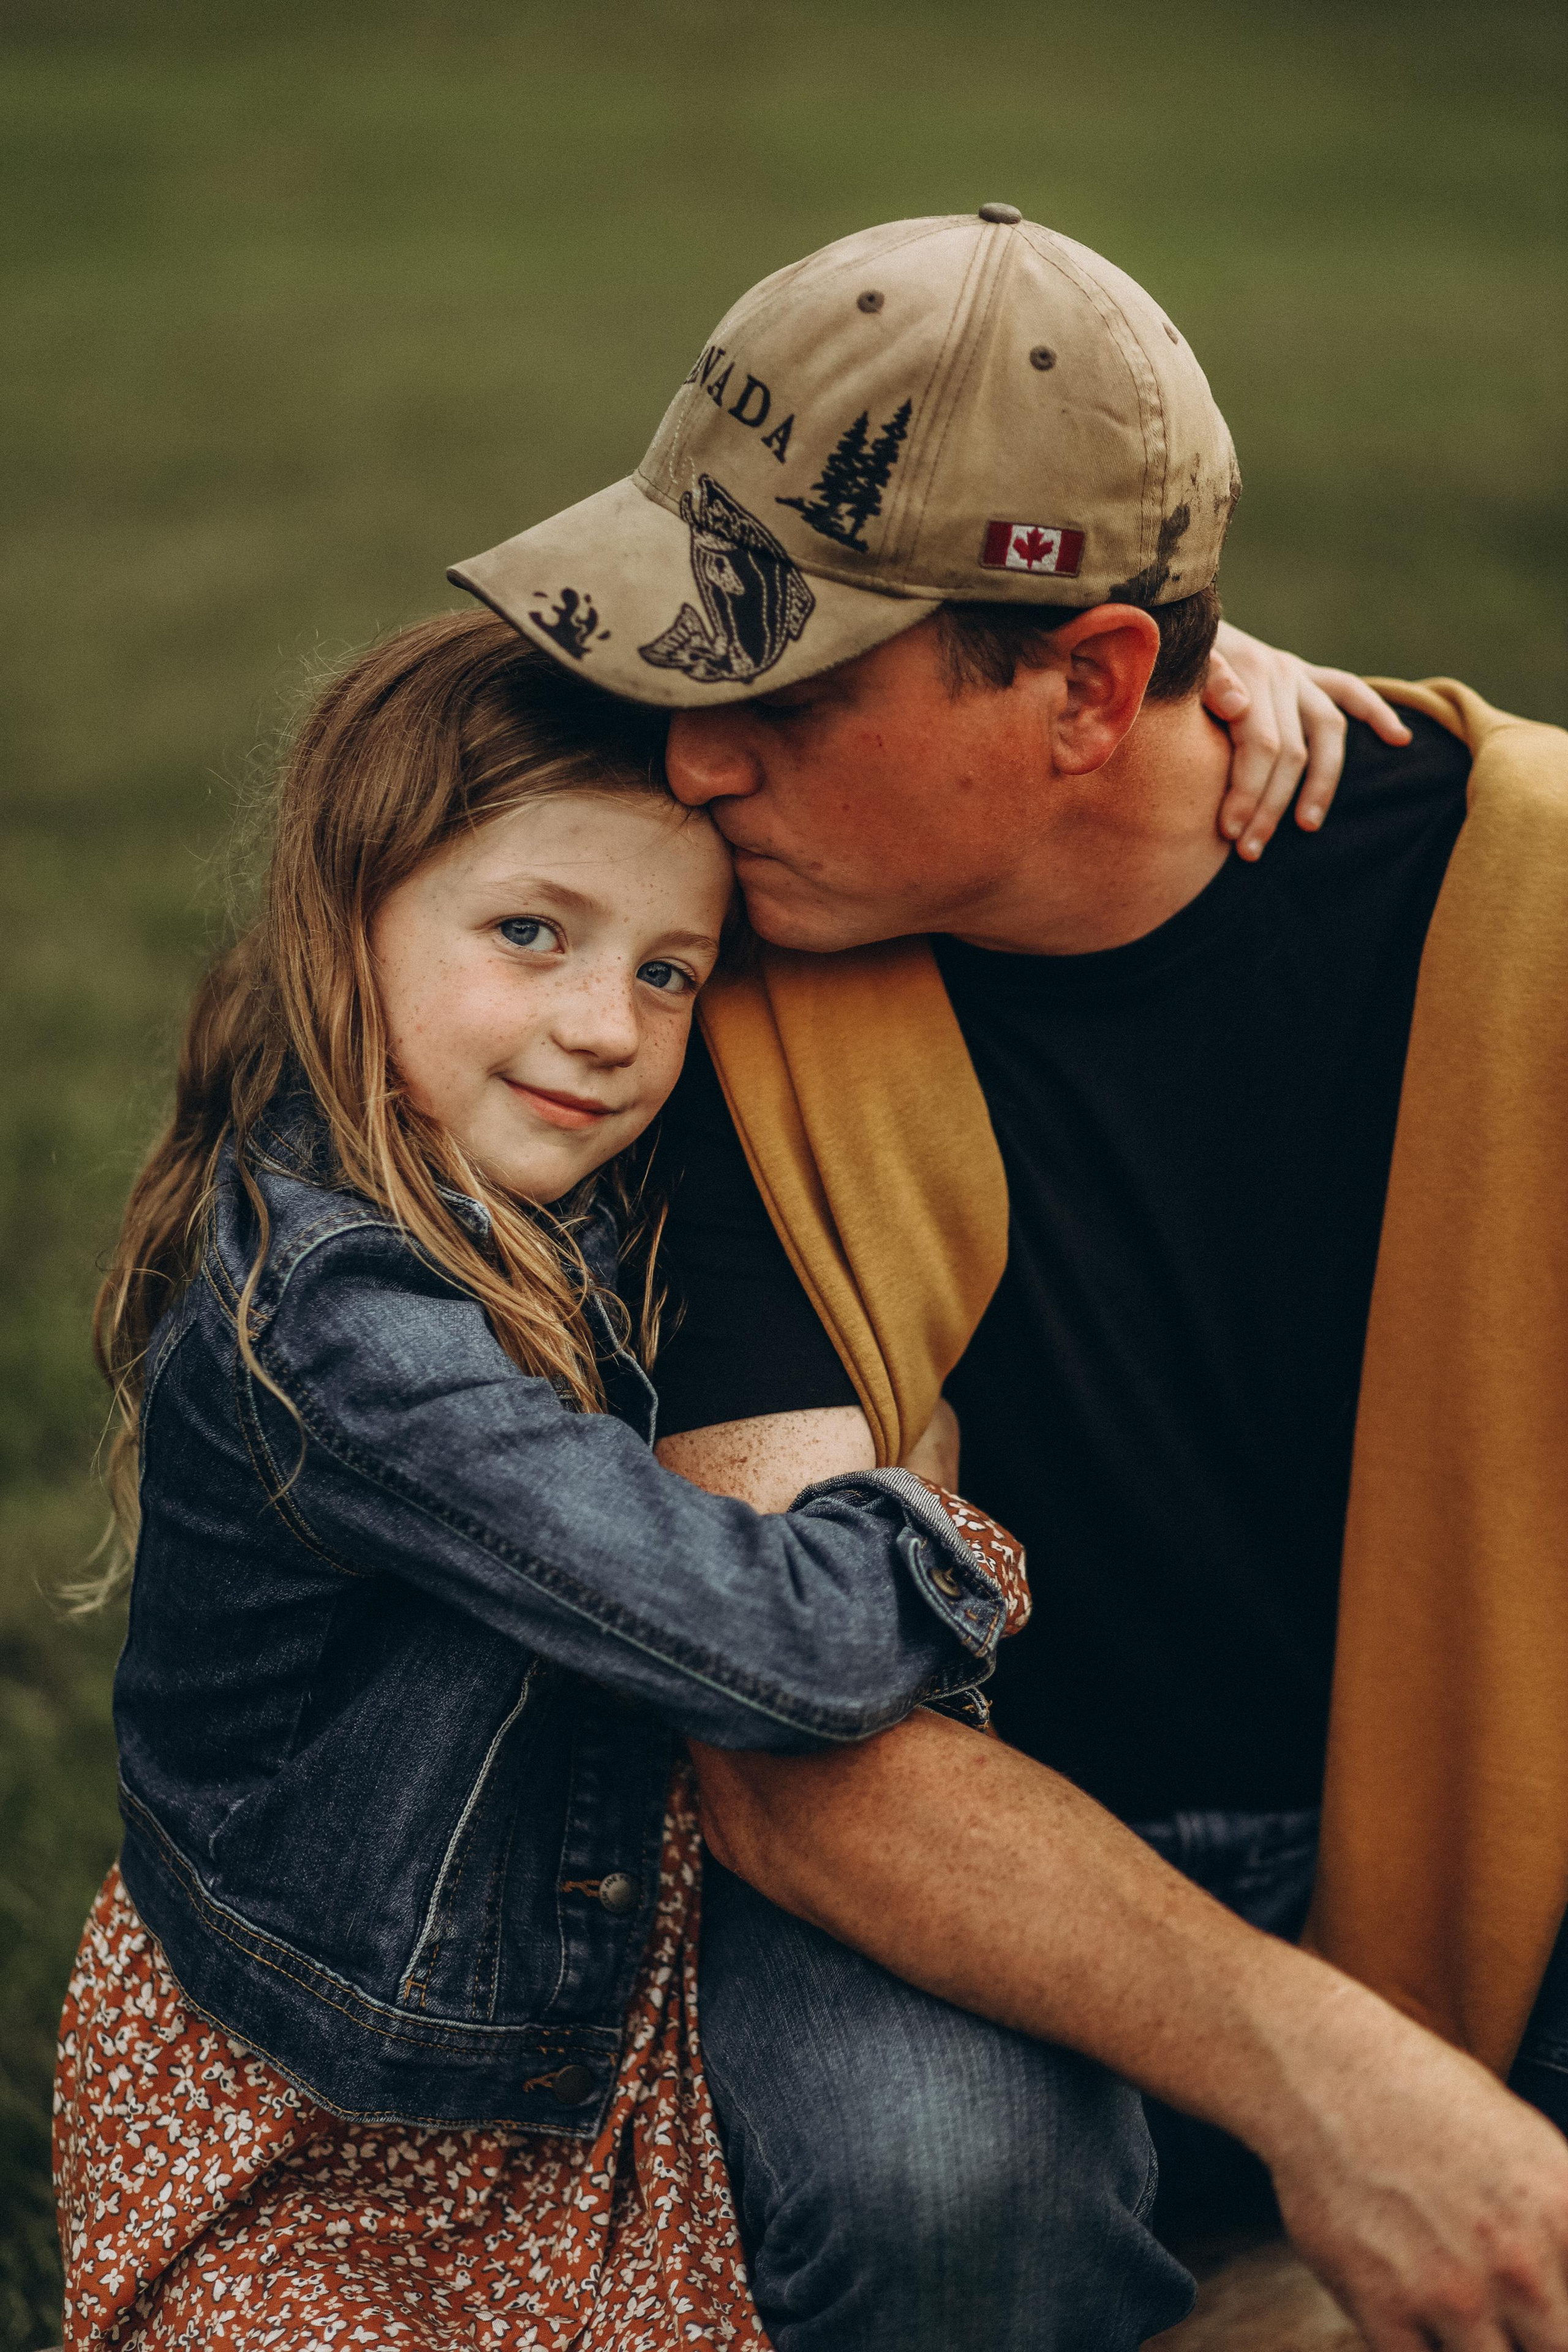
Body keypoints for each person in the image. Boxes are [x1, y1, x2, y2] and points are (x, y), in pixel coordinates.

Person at [448, 208, 1568, 2350]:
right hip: (977, 1859)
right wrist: (1332, 2082)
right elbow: (798, 1748)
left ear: (1093, 687)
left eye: (783, 686)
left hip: (1481, 1824)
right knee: (943, 2180)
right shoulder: (691, 969)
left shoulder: (1530, 902)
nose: (692, 757)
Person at [53, 610, 1035, 2349]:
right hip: (335, 2072)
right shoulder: (348, 1328)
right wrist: (931, 1520)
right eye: (532, 933)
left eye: (670, 972)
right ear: (346, 918)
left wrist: (1242, 681)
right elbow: (773, 1646)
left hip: (529, 1989)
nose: (606, 1027)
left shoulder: (519, 1169)